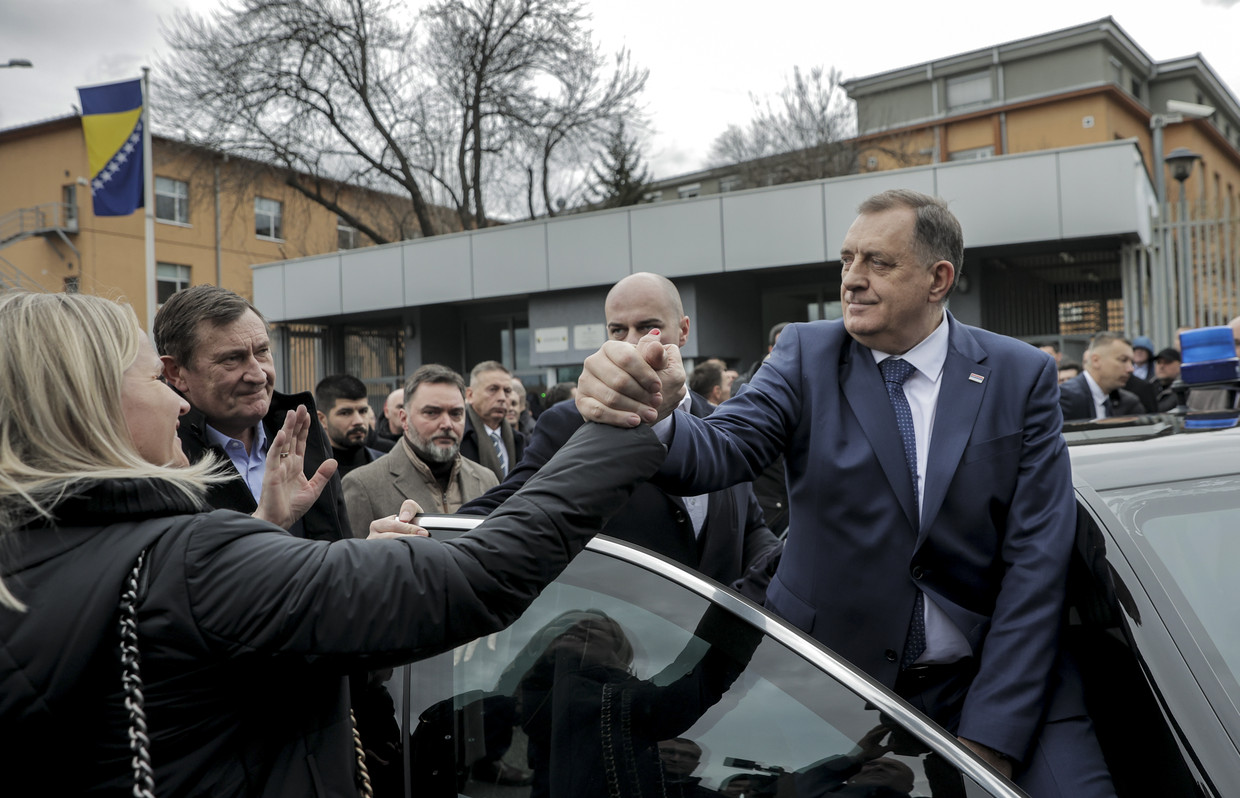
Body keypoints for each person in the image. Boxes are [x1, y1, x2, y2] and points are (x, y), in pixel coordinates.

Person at [0, 290, 664, 797]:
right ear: (87, 403)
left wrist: (263, 538)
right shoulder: (191, 560)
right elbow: (475, 580)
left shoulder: (27, 553)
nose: (180, 405)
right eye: (154, 381)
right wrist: (623, 428)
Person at [574, 189, 1115, 797]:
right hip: (833, 684)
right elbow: (720, 450)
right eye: (846, 261)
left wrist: (991, 736)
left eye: (877, 263)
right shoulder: (806, 354)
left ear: (939, 279)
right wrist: (657, 410)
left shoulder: (1020, 374)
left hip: (998, 681)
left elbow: (1037, 562)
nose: (852, 281)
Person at [460, 272, 779, 590]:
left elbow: (750, 528)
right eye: (617, 330)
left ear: (683, 331)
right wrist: (425, 532)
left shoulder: (721, 423)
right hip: (616, 632)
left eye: (647, 327)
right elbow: (507, 505)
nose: (632, 343)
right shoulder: (570, 421)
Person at [153, 284, 350, 541]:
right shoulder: (160, 457)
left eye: (262, 351)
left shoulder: (301, 432)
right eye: (232, 359)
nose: (258, 375)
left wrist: (370, 552)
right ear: (176, 373)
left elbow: (333, 553)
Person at [343, 364, 498, 536]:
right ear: (404, 419)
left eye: (456, 413)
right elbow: (347, 560)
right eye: (431, 413)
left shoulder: (487, 480)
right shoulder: (363, 486)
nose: (447, 424)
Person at [460, 360, 527, 481]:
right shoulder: (458, 438)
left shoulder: (519, 440)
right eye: (493, 389)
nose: (502, 398)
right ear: (470, 395)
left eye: (507, 391)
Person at [1059, 332, 1144, 421]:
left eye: (1132, 362)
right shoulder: (1064, 399)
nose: (1131, 369)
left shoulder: (1129, 403)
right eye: (1123, 360)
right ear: (1096, 360)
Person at [314, 374, 386, 477]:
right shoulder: (307, 472)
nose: (358, 421)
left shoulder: (387, 466)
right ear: (322, 420)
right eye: (345, 413)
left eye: (363, 411)